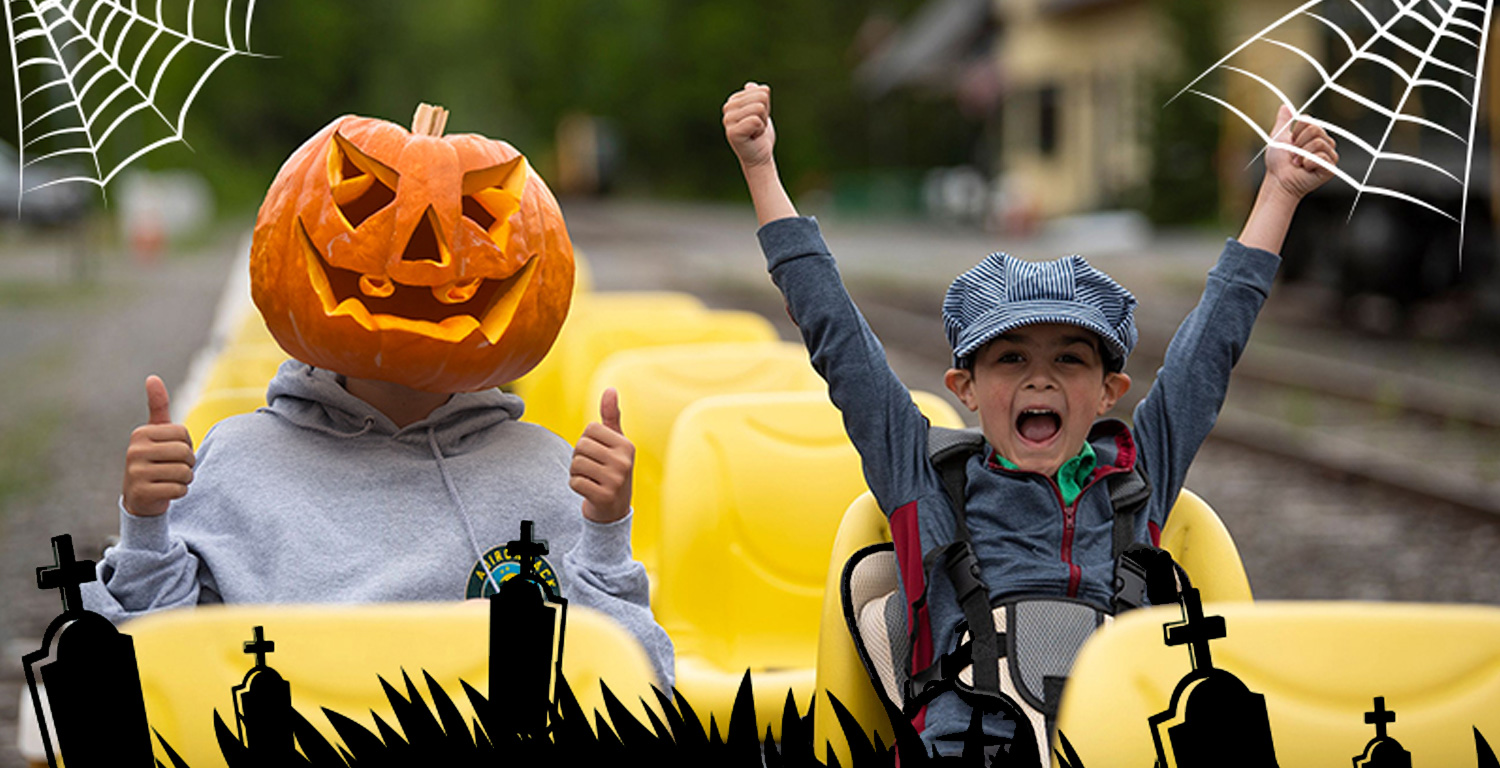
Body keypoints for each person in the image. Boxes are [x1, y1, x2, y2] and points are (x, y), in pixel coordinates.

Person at [722, 82, 1336, 753]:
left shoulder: (1138, 479)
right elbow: (835, 335)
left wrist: (1277, 192)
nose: (1040, 376)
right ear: (966, 388)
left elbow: (1208, 351)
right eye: (1010, 358)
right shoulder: (923, 481)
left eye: (1070, 360)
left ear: (1109, 392)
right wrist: (761, 168)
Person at [81, 364, 675, 687]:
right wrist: (146, 528)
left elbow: (641, 686)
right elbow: (138, 681)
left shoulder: (545, 470)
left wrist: (604, 532)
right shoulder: (237, 457)